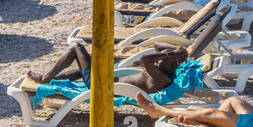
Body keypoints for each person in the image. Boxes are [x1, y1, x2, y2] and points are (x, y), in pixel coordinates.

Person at [29, 45, 188, 93]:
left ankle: (45, 78)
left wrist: (172, 53)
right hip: (106, 82)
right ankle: (52, 78)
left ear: (169, 63)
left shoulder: (161, 77)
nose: (158, 59)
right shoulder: (164, 70)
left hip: (102, 88)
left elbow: (144, 59)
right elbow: (157, 47)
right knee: (86, 67)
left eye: (161, 60)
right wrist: (179, 51)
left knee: (76, 48)